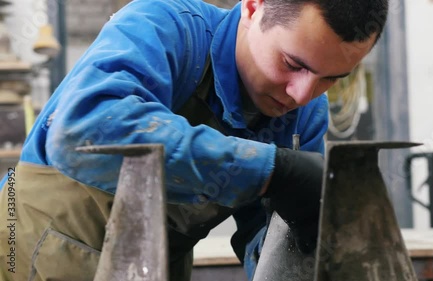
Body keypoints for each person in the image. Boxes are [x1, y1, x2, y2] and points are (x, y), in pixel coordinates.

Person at [0, 0, 387, 279]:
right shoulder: (164, 26)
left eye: (332, 78)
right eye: (293, 64)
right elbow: (83, 129)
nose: (302, 94)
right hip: (25, 255)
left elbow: (270, 245)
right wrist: (271, 170)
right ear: (254, 8)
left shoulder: (305, 116)